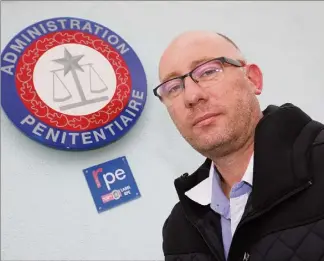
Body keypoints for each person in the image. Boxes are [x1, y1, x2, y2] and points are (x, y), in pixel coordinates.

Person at [153, 30, 324, 261]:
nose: (191, 96)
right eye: (173, 87)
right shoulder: (180, 228)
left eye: (208, 71)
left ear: (253, 79)